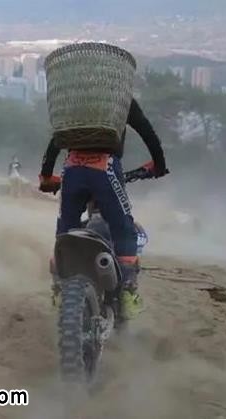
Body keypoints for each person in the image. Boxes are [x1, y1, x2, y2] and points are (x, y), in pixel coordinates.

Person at [39, 98, 168, 320]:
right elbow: (148, 133)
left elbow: (56, 140)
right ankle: (127, 292)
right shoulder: (121, 99)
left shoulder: (76, 101)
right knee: (125, 230)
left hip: (72, 167)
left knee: (64, 233)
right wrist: (160, 164)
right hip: (104, 168)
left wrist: (46, 175)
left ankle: (59, 290)